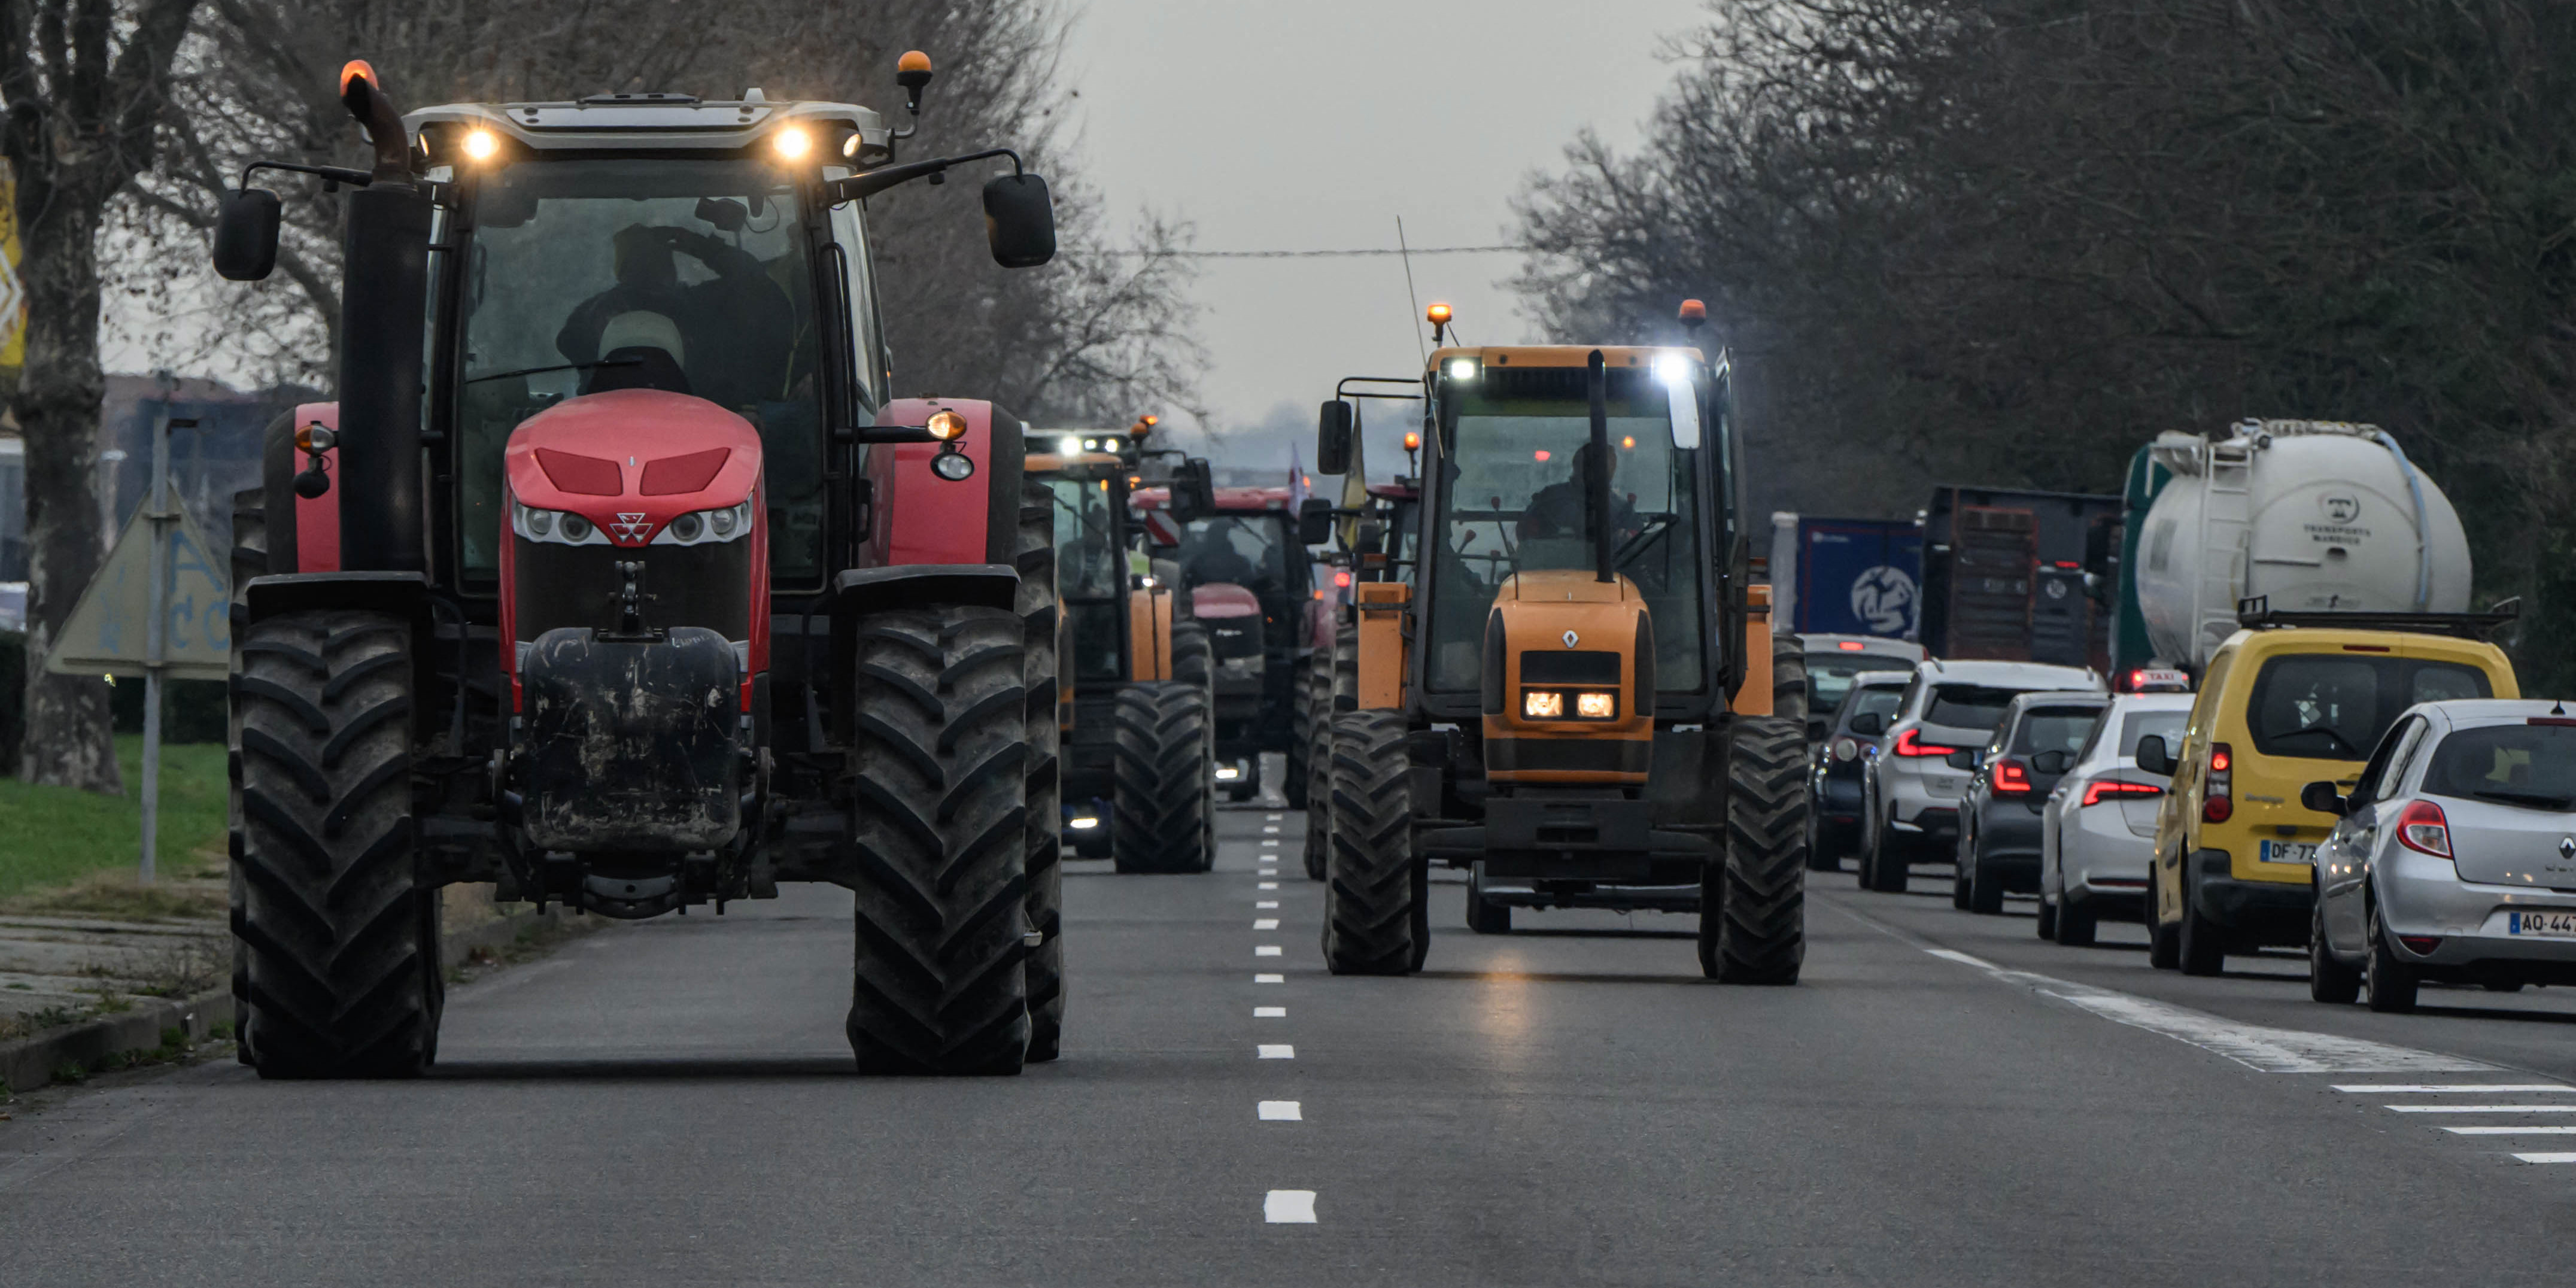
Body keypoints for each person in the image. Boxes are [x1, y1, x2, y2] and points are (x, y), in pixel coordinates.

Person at [555, 223, 794, 410]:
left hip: (689, 422)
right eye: (642, 260)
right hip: (698, 419)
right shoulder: (700, 304)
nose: (650, 267)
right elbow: (754, 282)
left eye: (655, 258)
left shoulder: (591, 313)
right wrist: (701, 247)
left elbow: (755, 285)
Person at [1518, 441, 1641, 547]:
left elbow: (1638, 541)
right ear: (1578, 466)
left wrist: (1628, 536)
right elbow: (1525, 534)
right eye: (1590, 464)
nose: (1594, 471)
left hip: (1610, 573)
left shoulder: (1624, 510)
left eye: (1604, 466)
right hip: (1549, 569)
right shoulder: (1549, 500)